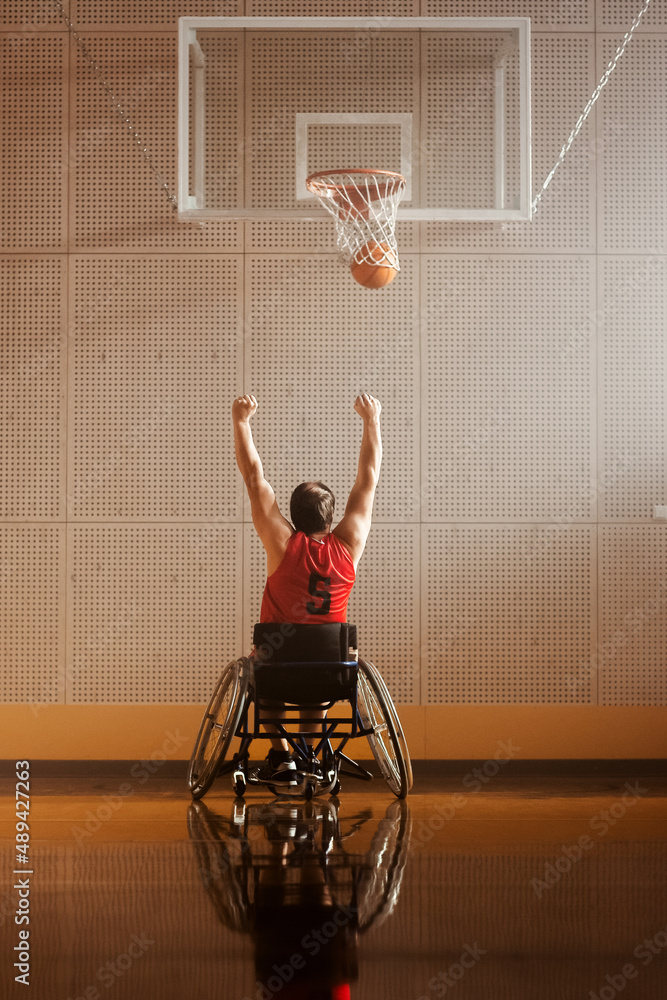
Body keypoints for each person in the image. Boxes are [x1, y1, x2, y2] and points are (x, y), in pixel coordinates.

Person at [232, 391, 382, 784]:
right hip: (329, 673)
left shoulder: (282, 542)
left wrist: (241, 421)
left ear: (291, 517)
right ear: (331, 518)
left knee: (267, 681)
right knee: (315, 679)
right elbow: (368, 479)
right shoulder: (348, 544)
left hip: (277, 671)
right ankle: (308, 754)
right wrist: (371, 420)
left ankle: (283, 757)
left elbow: (254, 477)